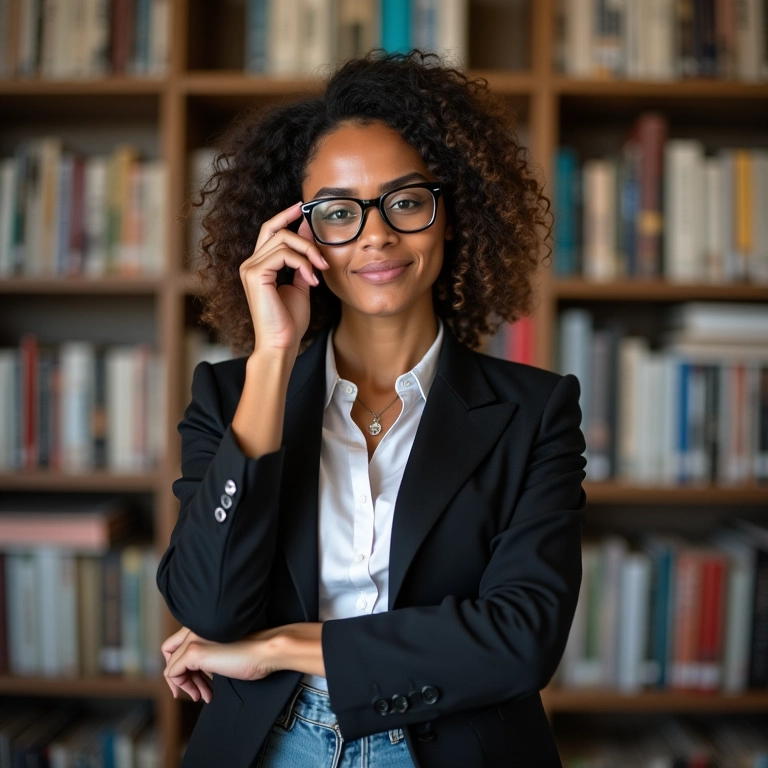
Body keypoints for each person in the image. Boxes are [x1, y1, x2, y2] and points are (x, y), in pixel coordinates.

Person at [157, 50, 587, 768]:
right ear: (299, 234)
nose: (376, 234)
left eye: (406, 200)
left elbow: (521, 639)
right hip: (267, 742)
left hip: (450, 742)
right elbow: (209, 607)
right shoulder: (232, 397)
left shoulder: (535, 411)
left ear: (452, 214)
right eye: (338, 213)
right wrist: (273, 357)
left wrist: (282, 646)